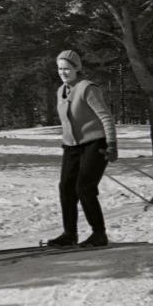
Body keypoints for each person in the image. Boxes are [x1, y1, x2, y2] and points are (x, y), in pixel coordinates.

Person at [47, 50, 118, 248]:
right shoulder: (61, 91)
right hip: (72, 147)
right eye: (60, 69)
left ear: (77, 68)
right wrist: (68, 141)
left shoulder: (88, 88)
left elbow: (106, 117)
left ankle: (99, 233)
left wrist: (112, 144)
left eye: (67, 69)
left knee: (84, 187)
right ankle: (69, 234)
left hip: (96, 143)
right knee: (66, 188)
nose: (63, 72)